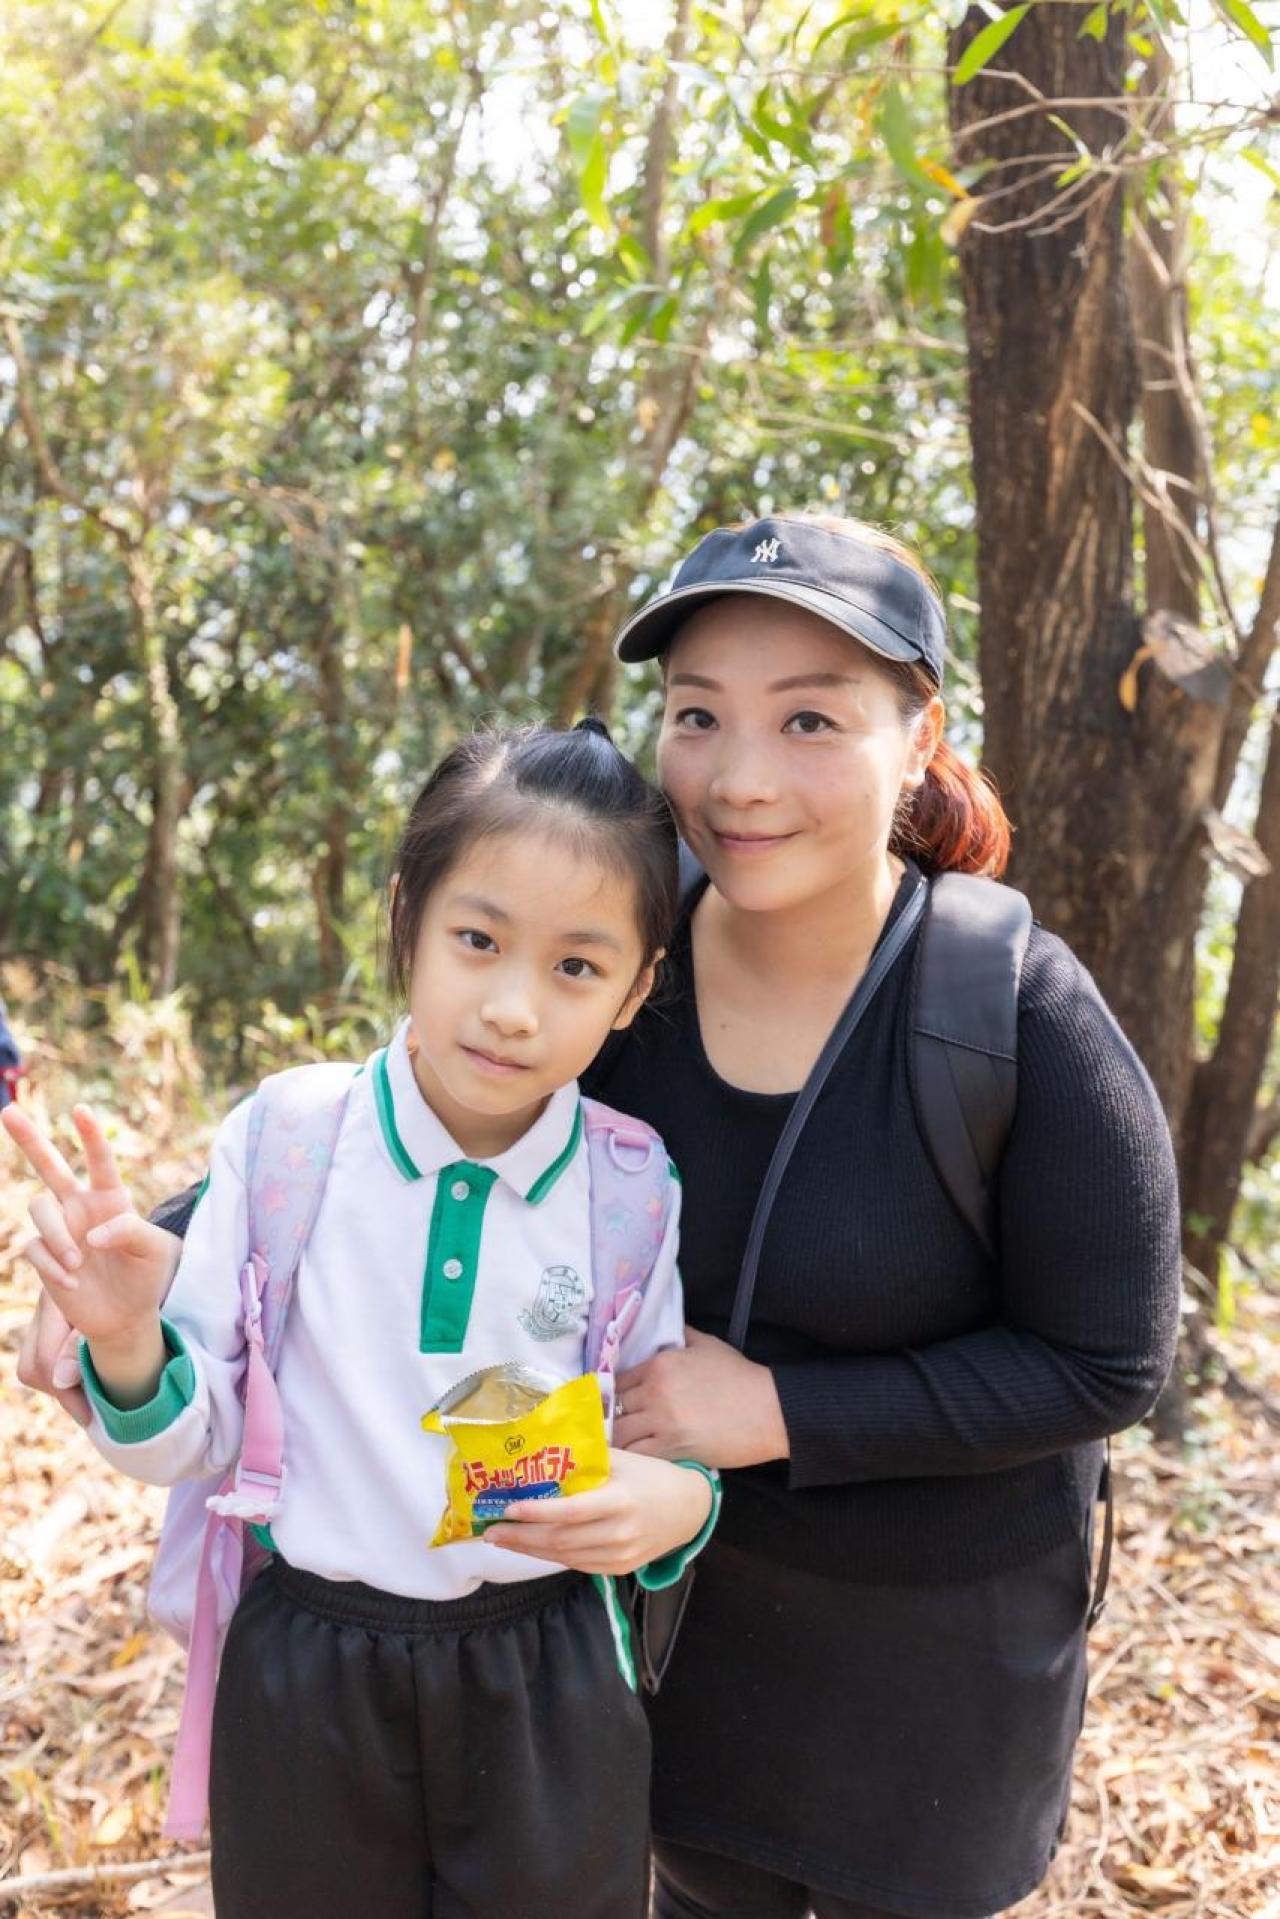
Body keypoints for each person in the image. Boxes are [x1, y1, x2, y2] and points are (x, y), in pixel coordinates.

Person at [15, 513, 1183, 1919]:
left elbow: (1108, 1359)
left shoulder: (1010, 1012)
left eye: (809, 718)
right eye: (698, 714)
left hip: (925, 1672)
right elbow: (414, 1113)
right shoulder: (617, 946)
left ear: (919, 733)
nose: (740, 777)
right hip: (655, 1631)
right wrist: (147, 1262)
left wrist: (780, 1411)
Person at [3, 718, 719, 1919]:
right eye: (477, 939)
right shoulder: (290, 1139)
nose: (512, 1006)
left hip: (546, 1676)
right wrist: (127, 1342)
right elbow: (192, 1443)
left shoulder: (629, 1184)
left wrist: (679, 1503)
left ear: (636, 987)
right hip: (308, 1671)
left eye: (575, 966)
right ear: (406, 917)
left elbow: (657, 1433)